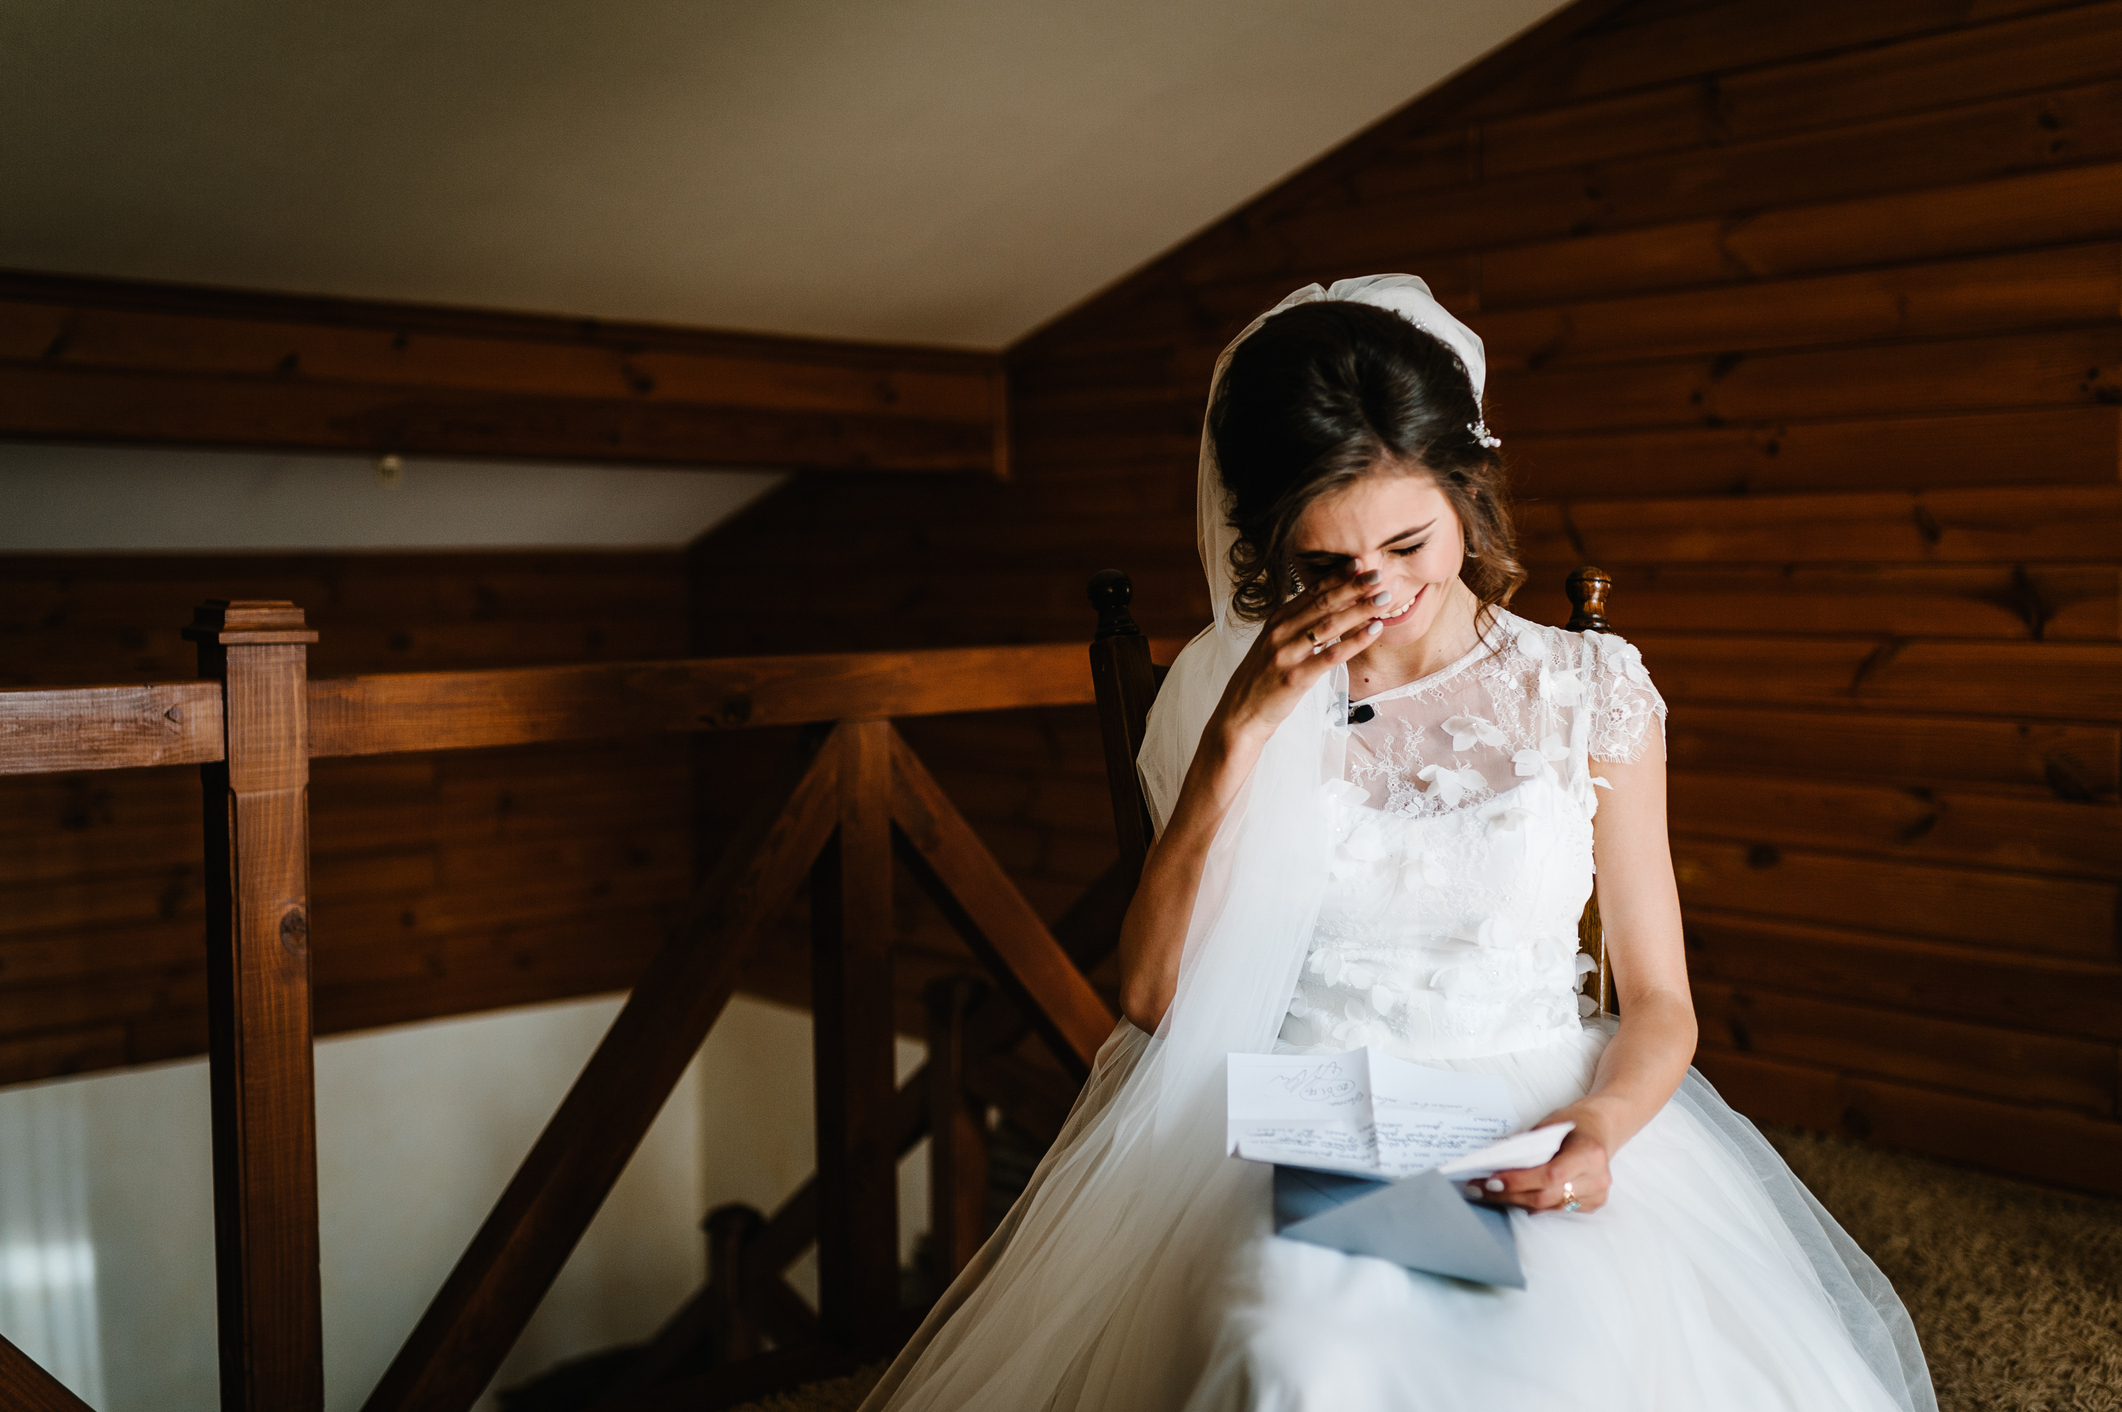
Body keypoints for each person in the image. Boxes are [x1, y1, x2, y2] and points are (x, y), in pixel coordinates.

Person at [861, 276, 1934, 1412]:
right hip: (1309, 1112)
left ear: (1469, 493)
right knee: (1301, 1356)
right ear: (1269, 545)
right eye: (1325, 563)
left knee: (1557, 1356)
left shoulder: (1588, 686)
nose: (1376, 586)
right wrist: (1238, 732)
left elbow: (1660, 996)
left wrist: (1599, 1126)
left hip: (1531, 1102)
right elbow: (1153, 996)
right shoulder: (1223, 691)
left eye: (1408, 540)